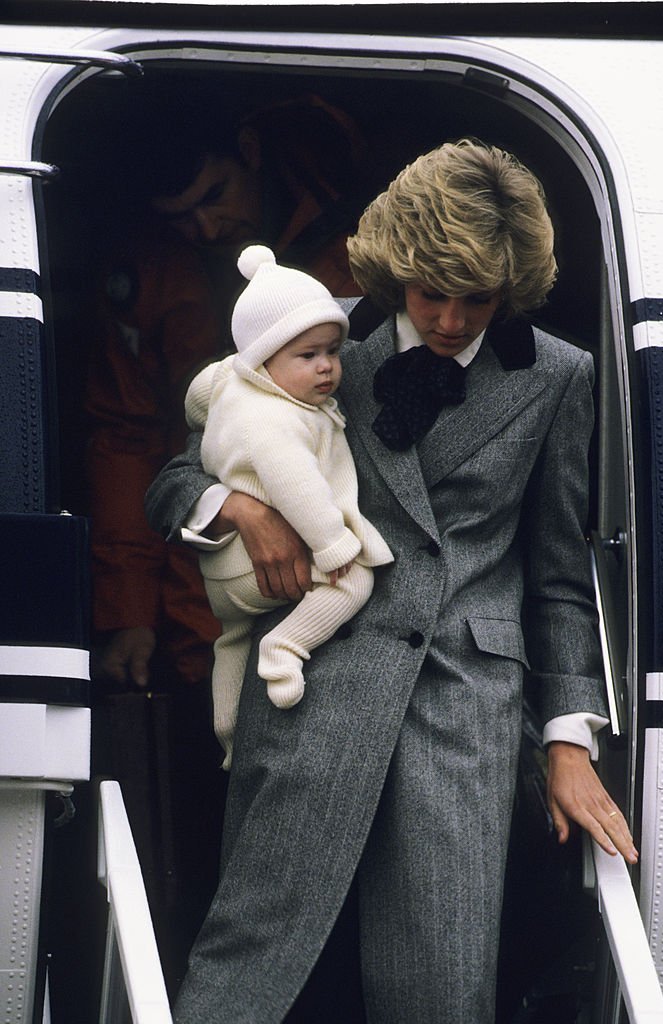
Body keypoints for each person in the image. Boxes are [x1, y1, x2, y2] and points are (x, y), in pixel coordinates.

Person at [145, 138, 638, 1023]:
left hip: (463, 711)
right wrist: (237, 508)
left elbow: (558, 574)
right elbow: (172, 481)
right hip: (309, 687)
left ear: (512, 286)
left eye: (476, 299)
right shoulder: (310, 334)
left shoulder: (559, 375)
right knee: (255, 974)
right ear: (392, 272)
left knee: (438, 988)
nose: (450, 319)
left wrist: (568, 739)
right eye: (428, 293)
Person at [83, 84, 369, 999]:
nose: (204, 229)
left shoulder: (362, 240)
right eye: (181, 216)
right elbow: (129, 442)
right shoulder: (148, 273)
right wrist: (124, 610)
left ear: (249, 145)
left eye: (212, 198)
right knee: (226, 861)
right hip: (201, 603)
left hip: (357, 611)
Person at [184, 244, 393, 768]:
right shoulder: (275, 419)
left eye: (332, 352)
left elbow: (201, 395)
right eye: (307, 356)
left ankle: (227, 733)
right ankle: (286, 650)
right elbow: (295, 482)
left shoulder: (232, 385)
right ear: (263, 358)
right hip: (255, 563)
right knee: (354, 581)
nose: (326, 368)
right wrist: (333, 543)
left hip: (223, 574)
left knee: (231, 641)